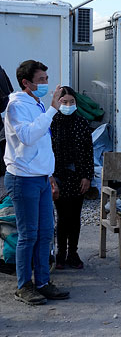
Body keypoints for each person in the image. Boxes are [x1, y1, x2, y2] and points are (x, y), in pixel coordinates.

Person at [4, 59, 69, 305]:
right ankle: (24, 285)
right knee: (28, 234)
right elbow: (29, 136)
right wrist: (52, 109)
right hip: (23, 178)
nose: (46, 84)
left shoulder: (37, 103)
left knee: (44, 233)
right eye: (41, 80)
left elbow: (43, 143)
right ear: (26, 83)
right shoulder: (16, 106)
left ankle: (42, 282)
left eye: (46, 79)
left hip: (40, 177)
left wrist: (49, 175)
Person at [50, 86, 94, 269]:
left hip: (78, 176)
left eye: (71, 102)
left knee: (75, 217)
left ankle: (73, 253)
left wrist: (87, 176)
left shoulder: (82, 123)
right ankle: (60, 253)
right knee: (62, 216)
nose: (68, 105)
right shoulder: (52, 123)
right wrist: (51, 178)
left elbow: (88, 152)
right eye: (64, 102)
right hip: (58, 176)